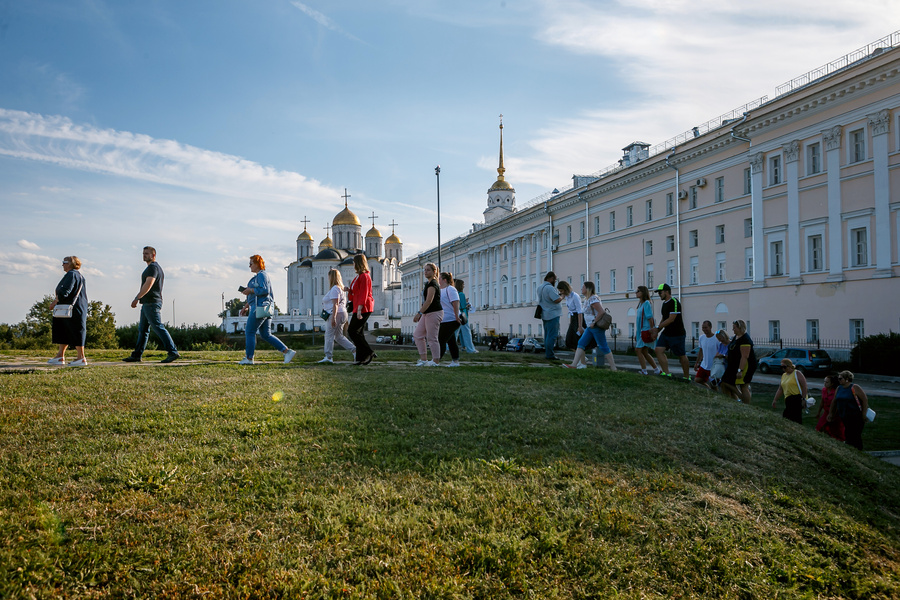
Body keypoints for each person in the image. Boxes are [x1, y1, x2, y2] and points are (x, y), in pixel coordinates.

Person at [124, 246, 180, 363]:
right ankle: (136, 355)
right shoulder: (153, 268)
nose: (144, 255)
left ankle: (173, 352)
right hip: (148, 303)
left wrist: (137, 297)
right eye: (143, 253)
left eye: (147, 253)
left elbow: (149, 284)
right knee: (143, 330)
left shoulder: (153, 268)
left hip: (152, 303)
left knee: (158, 327)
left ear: (153, 255)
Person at [238, 254, 296, 365]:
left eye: (251, 263)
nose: (249, 266)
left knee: (250, 331)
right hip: (265, 308)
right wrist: (246, 306)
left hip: (260, 307)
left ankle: (249, 358)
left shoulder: (262, 275)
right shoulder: (259, 276)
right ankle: (287, 352)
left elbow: (264, 290)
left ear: (257, 264)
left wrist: (250, 290)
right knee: (265, 334)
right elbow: (255, 294)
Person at [564, 282, 617, 371]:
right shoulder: (587, 299)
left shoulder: (593, 299)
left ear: (588, 289)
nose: (581, 289)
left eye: (583, 287)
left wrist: (594, 322)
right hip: (590, 327)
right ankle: (574, 364)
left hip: (596, 327)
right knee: (581, 343)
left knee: (603, 346)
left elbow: (601, 312)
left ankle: (613, 368)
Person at [48, 256, 89, 367]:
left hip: (72, 308)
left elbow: (65, 291)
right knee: (64, 330)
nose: (62, 265)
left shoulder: (72, 274)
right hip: (71, 307)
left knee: (76, 330)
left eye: (64, 262)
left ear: (71, 263)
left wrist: (55, 301)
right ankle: (60, 355)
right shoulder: (77, 275)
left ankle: (81, 357)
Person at [317, 268, 355, 364]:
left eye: (329, 276)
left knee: (329, 335)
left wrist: (333, 317)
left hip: (336, 314)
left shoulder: (335, 289)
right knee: (338, 336)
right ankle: (354, 350)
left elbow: (335, 304)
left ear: (332, 277)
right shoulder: (340, 288)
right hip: (343, 313)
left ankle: (328, 357)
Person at [651, 283, 690, 379]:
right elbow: (664, 318)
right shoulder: (664, 304)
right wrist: (657, 330)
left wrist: (657, 327)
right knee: (658, 350)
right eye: (658, 293)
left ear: (667, 292)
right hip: (667, 333)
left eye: (660, 292)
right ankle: (667, 373)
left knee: (681, 356)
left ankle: (686, 377)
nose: (659, 294)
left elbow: (671, 319)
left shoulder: (674, 302)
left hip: (677, 334)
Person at [828, 370, 868, 450]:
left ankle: (858, 452)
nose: (839, 380)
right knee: (848, 435)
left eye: (840, 378)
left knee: (855, 435)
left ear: (847, 379)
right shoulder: (839, 388)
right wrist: (831, 413)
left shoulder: (855, 387)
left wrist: (864, 414)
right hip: (844, 416)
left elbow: (864, 399)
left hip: (856, 416)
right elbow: (834, 401)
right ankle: (851, 451)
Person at [347, 254, 375, 365]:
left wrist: (359, 310)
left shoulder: (364, 276)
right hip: (359, 306)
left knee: (352, 331)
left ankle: (369, 352)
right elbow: (357, 292)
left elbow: (364, 294)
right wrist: (348, 290)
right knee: (359, 333)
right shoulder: (358, 276)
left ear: (358, 263)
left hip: (363, 307)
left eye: (354, 262)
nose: (353, 264)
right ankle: (360, 358)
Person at [413, 262, 443, 366]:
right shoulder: (428, 283)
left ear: (434, 272)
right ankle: (424, 360)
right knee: (418, 335)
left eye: (428, 270)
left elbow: (429, 300)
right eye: (425, 270)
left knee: (432, 338)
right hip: (427, 313)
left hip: (434, 312)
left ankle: (435, 361)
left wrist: (419, 313)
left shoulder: (433, 284)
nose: (425, 272)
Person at [720, 319, 756, 403]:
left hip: (745, 366)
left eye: (734, 328)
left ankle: (744, 401)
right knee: (724, 382)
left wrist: (740, 370)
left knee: (744, 386)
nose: (733, 329)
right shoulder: (735, 338)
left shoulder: (745, 339)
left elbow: (744, 356)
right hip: (733, 365)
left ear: (740, 328)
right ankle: (735, 401)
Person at [536, 271, 563, 361]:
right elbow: (556, 300)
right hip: (552, 314)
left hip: (544, 313)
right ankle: (550, 355)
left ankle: (548, 353)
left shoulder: (540, 287)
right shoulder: (549, 288)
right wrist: (562, 296)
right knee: (552, 335)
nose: (555, 281)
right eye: (554, 279)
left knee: (547, 335)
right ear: (550, 278)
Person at [772, 358, 808, 424]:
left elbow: (804, 386)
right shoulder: (784, 375)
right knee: (787, 417)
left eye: (784, 367)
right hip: (788, 399)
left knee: (794, 417)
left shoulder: (797, 373)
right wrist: (775, 400)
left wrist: (803, 399)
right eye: (781, 367)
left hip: (796, 398)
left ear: (789, 366)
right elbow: (780, 389)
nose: (783, 369)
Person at [634, 285, 660, 375]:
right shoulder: (641, 304)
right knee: (644, 351)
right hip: (641, 330)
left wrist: (652, 331)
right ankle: (656, 369)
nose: (636, 293)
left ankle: (644, 371)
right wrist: (636, 333)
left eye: (638, 291)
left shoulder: (646, 303)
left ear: (643, 293)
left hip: (645, 330)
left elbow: (650, 318)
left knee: (638, 350)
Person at [437, 272, 462, 367]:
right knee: (451, 341)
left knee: (441, 339)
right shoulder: (440, 290)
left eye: (440, 279)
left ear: (445, 280)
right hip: (444, 319)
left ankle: (436, 359)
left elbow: (455, 303)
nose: (438, 281)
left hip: (451, 319)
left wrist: (456, 316)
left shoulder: (450, 289)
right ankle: (455, 361)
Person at [815, 374, 845, 441]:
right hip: (826, 412)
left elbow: (837, 404)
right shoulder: (824, 390)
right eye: (824, 382)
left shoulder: (835, 392)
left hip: (836, 413)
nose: (825, 383)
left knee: (836, 430)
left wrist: (832, 414)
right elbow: (822, 402)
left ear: (832, 384)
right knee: (819, 426)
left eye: (827, 382)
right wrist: (819, 412)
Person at [454, 279, 478, 353]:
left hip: (456, 315)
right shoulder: (461, 294)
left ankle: (448, 348)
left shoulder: (455, 293)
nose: (464, 286)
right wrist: (467, 304)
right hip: (463, 316)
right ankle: (470, 349)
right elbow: (463, 306)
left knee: (454, 333)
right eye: (463, 284)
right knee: (467, 333)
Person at [558, 281, 583, 350]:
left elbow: (579, 311)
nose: (560, 293)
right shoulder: (567, 297)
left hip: (578, 318)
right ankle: (580, 357)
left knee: (576, 340)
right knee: (569, 341)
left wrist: (580, 326)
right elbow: (570, 311)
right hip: (572, 318)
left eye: (561, 291)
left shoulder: (575, 296)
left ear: (565, 289)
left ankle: (581, 358)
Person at [694, 321, 719, 387]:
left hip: (713, 366)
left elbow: (720, 351)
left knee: (714, 385)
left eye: (706, 327)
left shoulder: (716, 338)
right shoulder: (701, 337)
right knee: (697, 379)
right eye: (703, 328)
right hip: (704, 365)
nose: (704, 329)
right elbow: (700, 351)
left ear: (710, 327)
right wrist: (697, 363)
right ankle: (707, 387)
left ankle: (715, 395)